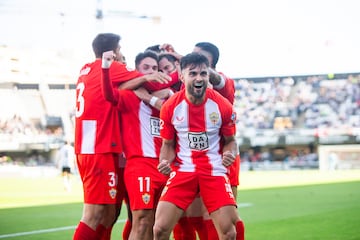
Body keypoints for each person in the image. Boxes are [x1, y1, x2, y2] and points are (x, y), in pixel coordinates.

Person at [73, 33, 170, 240]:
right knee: (94, 214)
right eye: (120, 50)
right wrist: (169, 74)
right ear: (115, 51)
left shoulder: (87, 69)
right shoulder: (112, 68)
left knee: (110, 215)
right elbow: (154, 83)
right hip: (100, 146)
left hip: (101, 147)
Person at [153, 52, 244, 240]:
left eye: (203, 74)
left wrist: (229, 154)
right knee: (160, 229)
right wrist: (164, 161)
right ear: (182, 76)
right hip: (183, 171)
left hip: (214, 171)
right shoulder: (171, 107)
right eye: (192, 73)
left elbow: (231, 141)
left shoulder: (222, 105)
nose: (198, 78)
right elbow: (168, 145)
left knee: (229, 232)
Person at [101, 50, 172, 240]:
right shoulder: (130, 97)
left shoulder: (167, 98)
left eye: (155, 68)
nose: (152, 72)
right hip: (141, 166)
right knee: (141, 221)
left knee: (160, 225)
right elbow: (109, 93)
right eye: (146, 68)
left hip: (165, 167)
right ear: (137, 71)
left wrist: (155, 95)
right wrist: (106, 67)